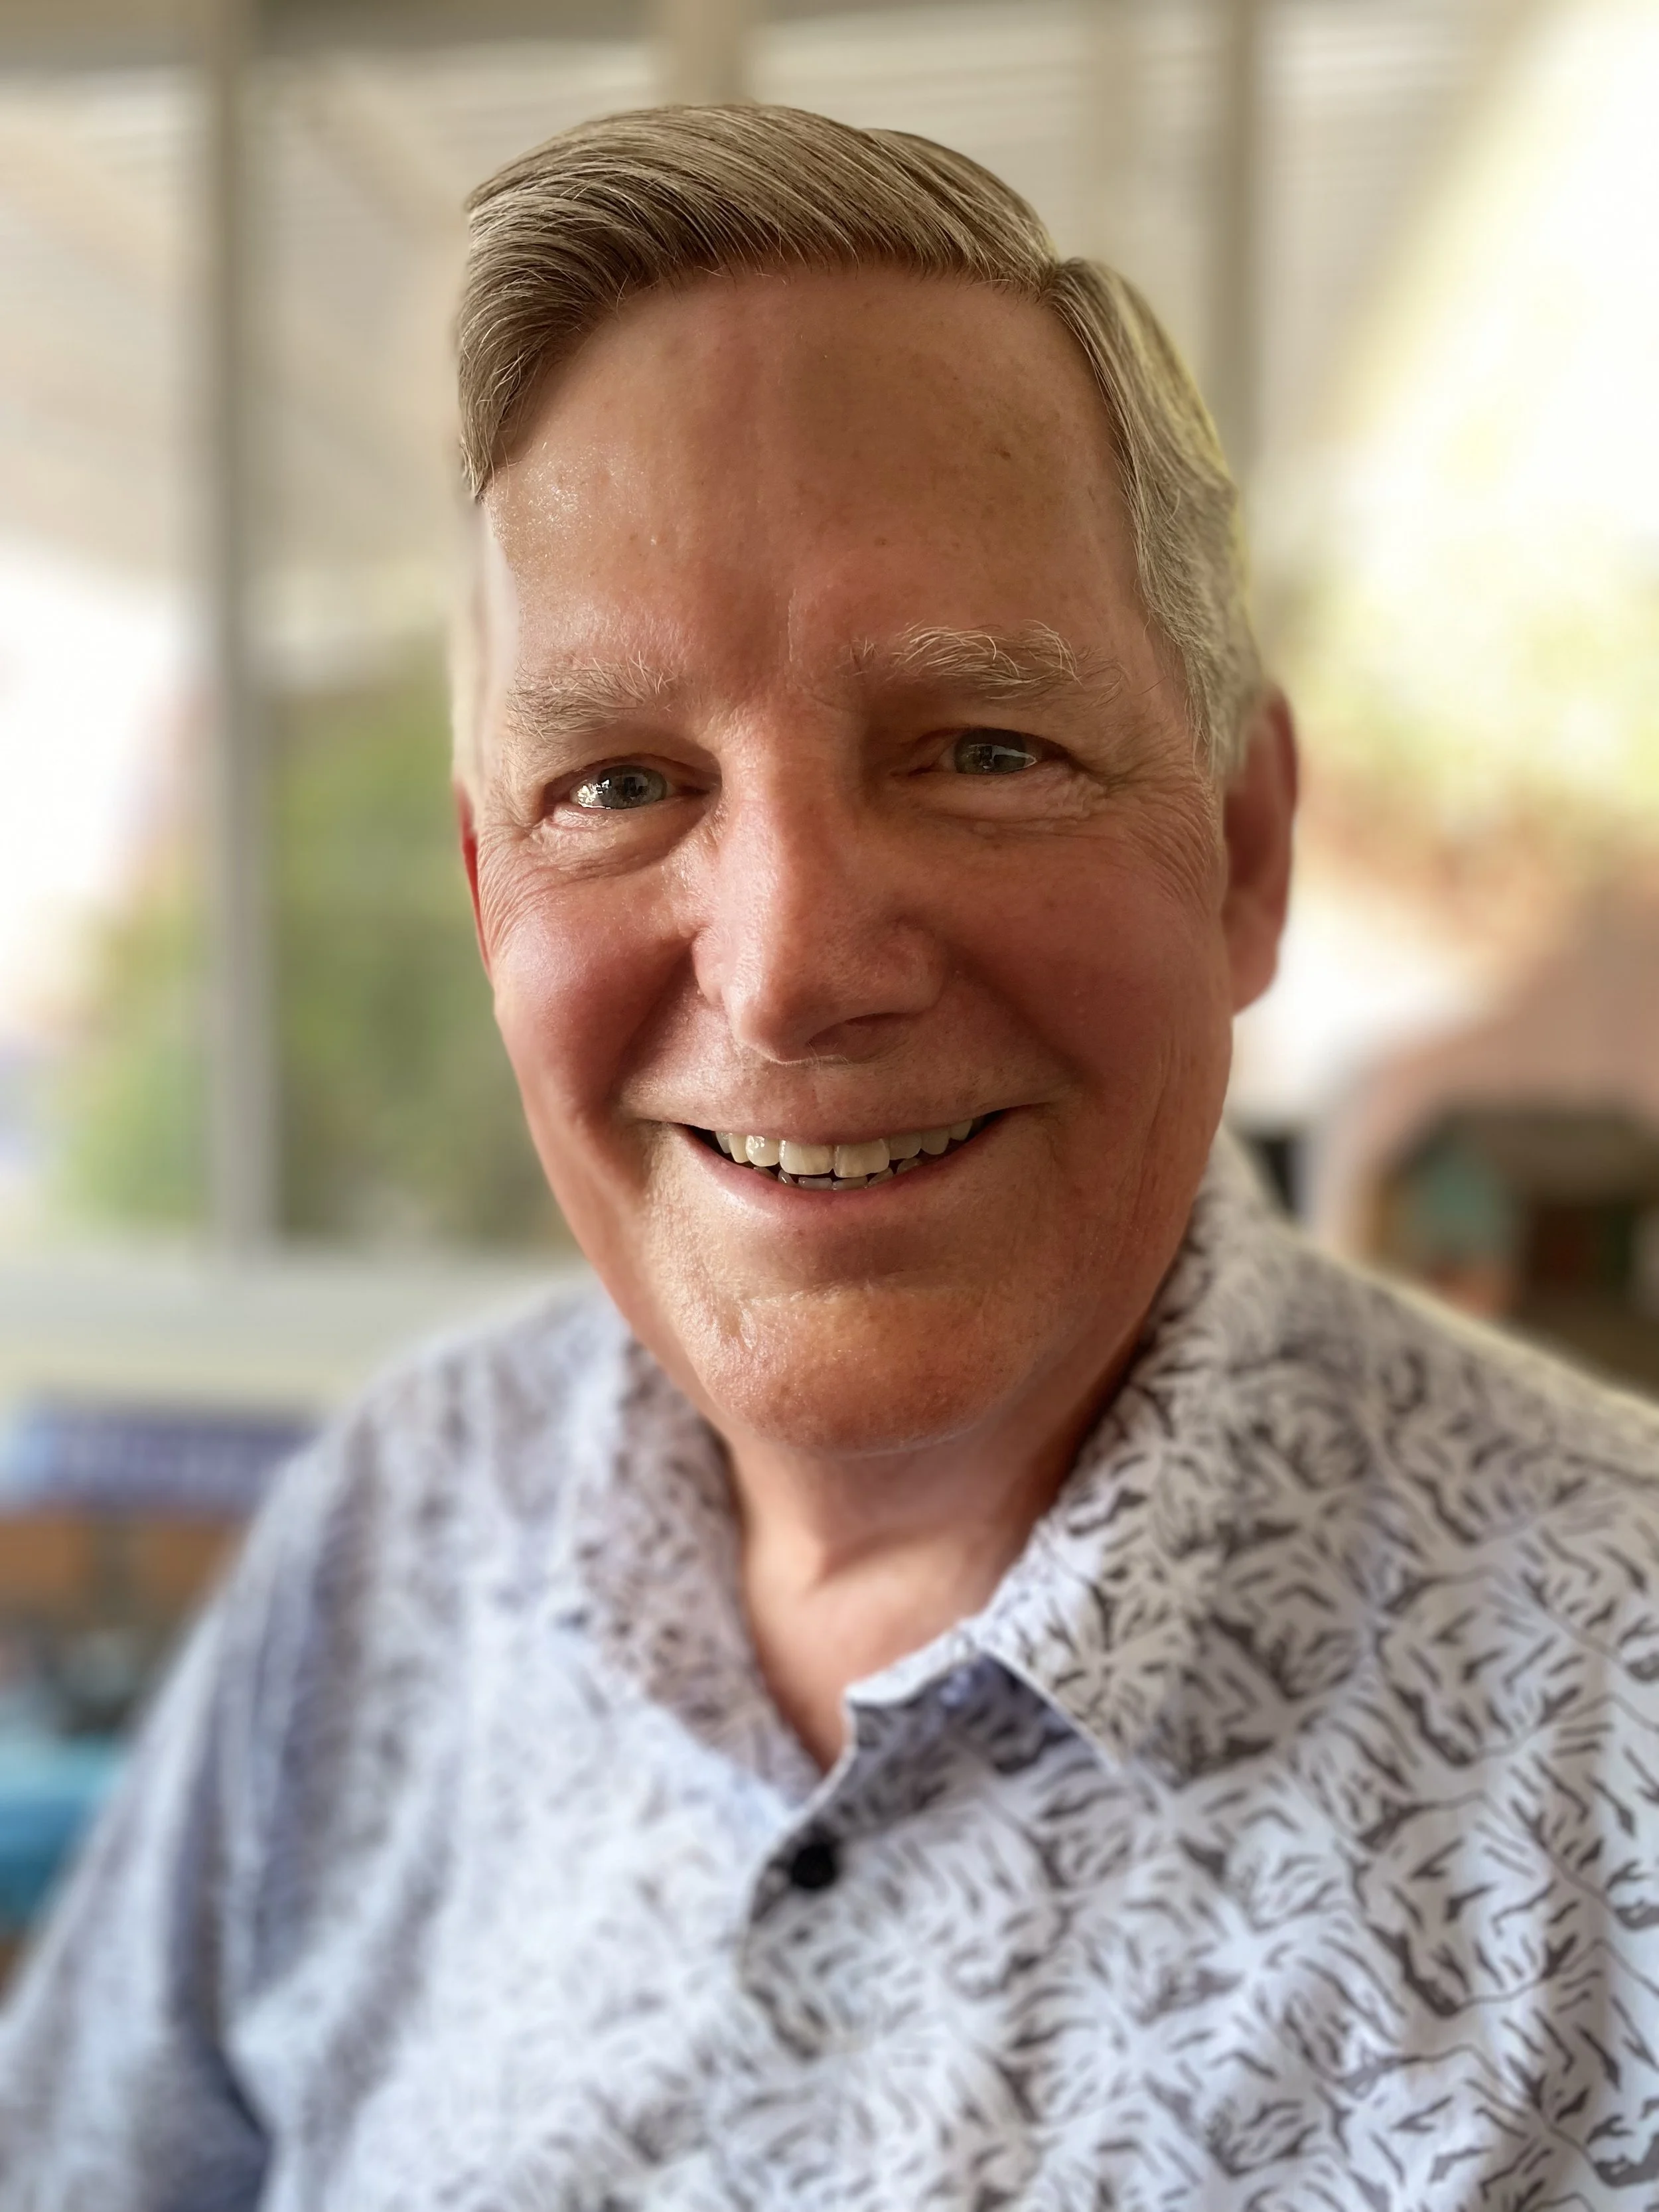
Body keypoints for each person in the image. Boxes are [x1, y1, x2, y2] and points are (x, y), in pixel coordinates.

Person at [3, 104, 1656, 2212]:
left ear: (1243, 854)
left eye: (982, 749)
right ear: (491, 897)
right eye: (620, 784)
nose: (785, 969)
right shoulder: (392, 1530)